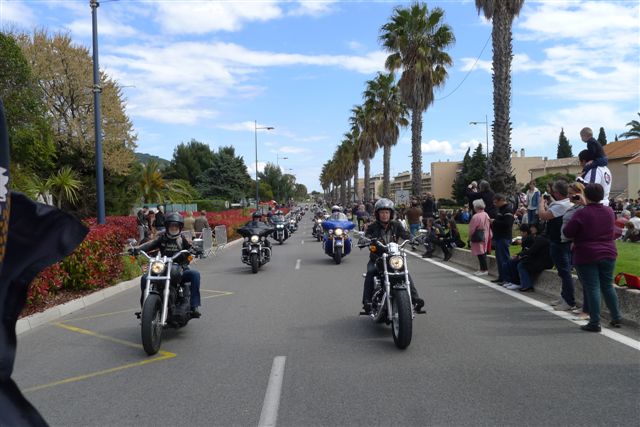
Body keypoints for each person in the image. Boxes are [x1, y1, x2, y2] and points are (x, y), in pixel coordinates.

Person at [563, 183, 622, 332]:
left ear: (585, 195)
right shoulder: (609, 211)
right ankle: (616, 317)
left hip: (586, 253)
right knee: (607, 285)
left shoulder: (581, 213)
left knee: (592, 287)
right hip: (608, 252)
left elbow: (568, 232)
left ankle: (595, 322)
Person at [131, 212, 202, 318]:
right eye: (171, 225)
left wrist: (196, 250)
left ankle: (194, 306)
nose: (173, 228)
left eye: (176, 226)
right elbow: (150, 245)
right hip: (164, 267)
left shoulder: (182, 239)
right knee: (145, 278)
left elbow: (190, 248)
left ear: (180, 227)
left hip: (181, 268)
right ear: (167, 226)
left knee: (195, 274)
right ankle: (145, 308)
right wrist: (137, 249)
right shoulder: (162, 238)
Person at [361, 198, 424, 314]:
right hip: (377, 258)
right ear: (377, 214)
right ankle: (367, 302)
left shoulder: (396, 225)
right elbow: (367, 236)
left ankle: (415, 299)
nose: (384, 215)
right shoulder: (373, 226)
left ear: (391, 214)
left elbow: (405, 234)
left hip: (393, 257)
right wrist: (364, 240)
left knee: (404, 272)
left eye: (387, 212)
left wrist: (413, 238)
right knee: (370, 272)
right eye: (382, 212)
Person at [538, 179, 576, 311]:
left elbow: (543, 215)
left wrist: (541, 203)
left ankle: (569, 300)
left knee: (564, 272)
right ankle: (565, 296)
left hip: (559, 241)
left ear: (557, 192)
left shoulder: (561, 206)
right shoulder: (564, 204)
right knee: (562, 271)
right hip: (562, 240)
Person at [561, 182, 588, 318]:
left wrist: (583, 202)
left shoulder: (583, 207)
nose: (569, 196)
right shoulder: (575, 207)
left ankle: (587, 308)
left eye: (572, 193)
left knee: (586, 279)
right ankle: (585, 306)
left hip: (578, 244)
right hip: (571, 243)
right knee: (582, 278)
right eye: (568, 193)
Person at [491, 194, 514, 285]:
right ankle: (501, 277)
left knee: (504, 259)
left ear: (501, 200)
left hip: (504, 237)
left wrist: (494, 222)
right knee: (499, 259)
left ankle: (507, 279)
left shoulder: (508, 209)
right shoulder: (501, 210)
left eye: (496, 202)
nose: (495, 204)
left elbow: (507, 224)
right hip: (498, 237)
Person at [469, 199, 492, 276]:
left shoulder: (476, 216)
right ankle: (482, 269)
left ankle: (484, 269)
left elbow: (472, 229)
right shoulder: (486, 214)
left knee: (480, 253)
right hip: (486, 235)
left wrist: (470, 236)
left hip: (478, 236)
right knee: (483, 252)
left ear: (476, 207)